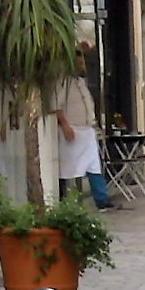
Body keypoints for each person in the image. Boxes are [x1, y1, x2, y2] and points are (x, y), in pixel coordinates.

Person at [52, 50, 112, 209]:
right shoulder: (62, 83)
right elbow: (56, 107)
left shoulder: (81, 82)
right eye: (79, 63)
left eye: (82, 63)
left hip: (87, 130)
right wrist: (65, 125)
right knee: (68, 169)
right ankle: (65, 200)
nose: (82, 66)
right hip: (72, 131)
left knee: (93, 165)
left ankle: (102, 199)